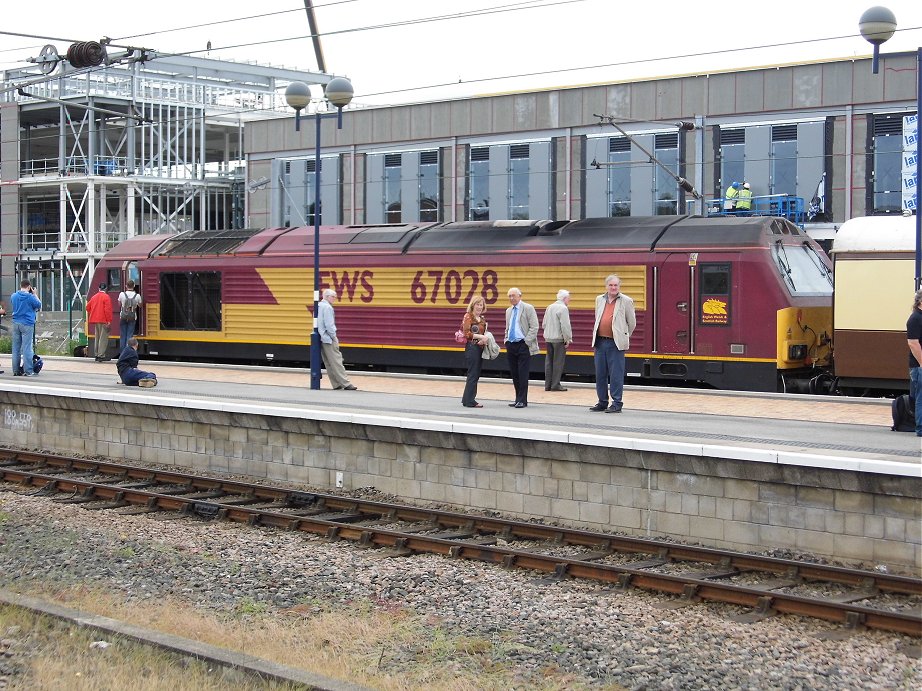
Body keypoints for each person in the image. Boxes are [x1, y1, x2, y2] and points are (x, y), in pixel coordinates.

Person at [590, 274, 636, 413]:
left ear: (619, 286)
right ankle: (602, 402)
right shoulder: (599, 299)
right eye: (611, 285)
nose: (613, 287)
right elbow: (597, 318)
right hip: (600, 342)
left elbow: (632, 322)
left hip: (615, 344)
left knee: (616, 374)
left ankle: (617, 403)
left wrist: (623, 336)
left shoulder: (626, 301)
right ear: (606, 286)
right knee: (600, 374)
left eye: (616, 285)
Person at [504, 287, 539, 408]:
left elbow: (534, 327)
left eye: (513, 295)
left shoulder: (528, 308)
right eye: (509, 296)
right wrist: (506, 340)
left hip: (523, 344)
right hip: (511, 344)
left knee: (522, 373)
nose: (511, 298)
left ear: (520, 296)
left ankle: (522, 400)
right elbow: (507, 327)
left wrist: (526, 342)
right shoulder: (508, 311)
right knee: (514, 373)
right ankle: (517, 398)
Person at [317, 288, 357, 391]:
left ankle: (336, 384)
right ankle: (346, 383)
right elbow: (329, 325)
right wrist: (334, 337)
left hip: (321, 338)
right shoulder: (327, 307)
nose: (334, 299)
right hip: (329, 338)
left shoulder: (318, 306)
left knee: (329, 363)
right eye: (333, 297)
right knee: (336, 361)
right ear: (327, 297)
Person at [461, 296, 489, 408]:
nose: (479, 307)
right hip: (472, 348)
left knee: (475, 374)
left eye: (481, 305)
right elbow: (467, 334)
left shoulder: (482, 319)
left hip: (480, 348)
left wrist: (484, 340)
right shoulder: (468, 316)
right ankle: (470, 401)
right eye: (477, 304)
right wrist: (480, 336)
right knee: (473, 374)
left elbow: (485, 333)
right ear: (473, 305)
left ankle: (466, 399)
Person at [10, 279, 42, 377]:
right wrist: (35, 294)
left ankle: (16, 370)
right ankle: (28, 371)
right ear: (29, 287)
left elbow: (13, 305)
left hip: (16, 323)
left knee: (16, 348)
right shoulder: (30, 297)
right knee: (27, 348)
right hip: (27, 324)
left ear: (20, 285)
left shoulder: (14, 296)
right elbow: (39, 305)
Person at [542, 289, 572, 391]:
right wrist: (567, 339)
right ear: (564, 298)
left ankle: (547, 385)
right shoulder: (563, 308)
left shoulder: (549, 307)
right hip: (558, 339)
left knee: (549, 362)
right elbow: (565, 326)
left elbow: (544, 323)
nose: (569, 301)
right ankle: (555, 385)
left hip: (548, 338)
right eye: (569, 299)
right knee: (558, 362)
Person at [907, 289, 922, 437]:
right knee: (921, 396)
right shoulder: (915, 318)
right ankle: (921, 428)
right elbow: (913, 343)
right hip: (919, 366)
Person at [86, 283, 113, 361]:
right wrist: (109, 321)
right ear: (105, 289)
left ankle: (96, 354)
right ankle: (101, 355)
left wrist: (94, 312)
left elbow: (87, 307)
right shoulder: (106, 297)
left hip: (95, 320)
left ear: (99, 288)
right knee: (103, 338)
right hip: (104, 320)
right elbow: (107, 310)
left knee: (97, 337)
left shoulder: (94, 297)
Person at [118, 280, 142, 349]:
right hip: (132, 317)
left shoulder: (122, 294)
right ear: (134, 286)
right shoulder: (137, 296)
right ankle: (128, 350)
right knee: (129, 335)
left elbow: (119, 304)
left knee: (123, 335)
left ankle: (122, 352)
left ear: (126, 286)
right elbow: (140, 305)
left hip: (123, 316)